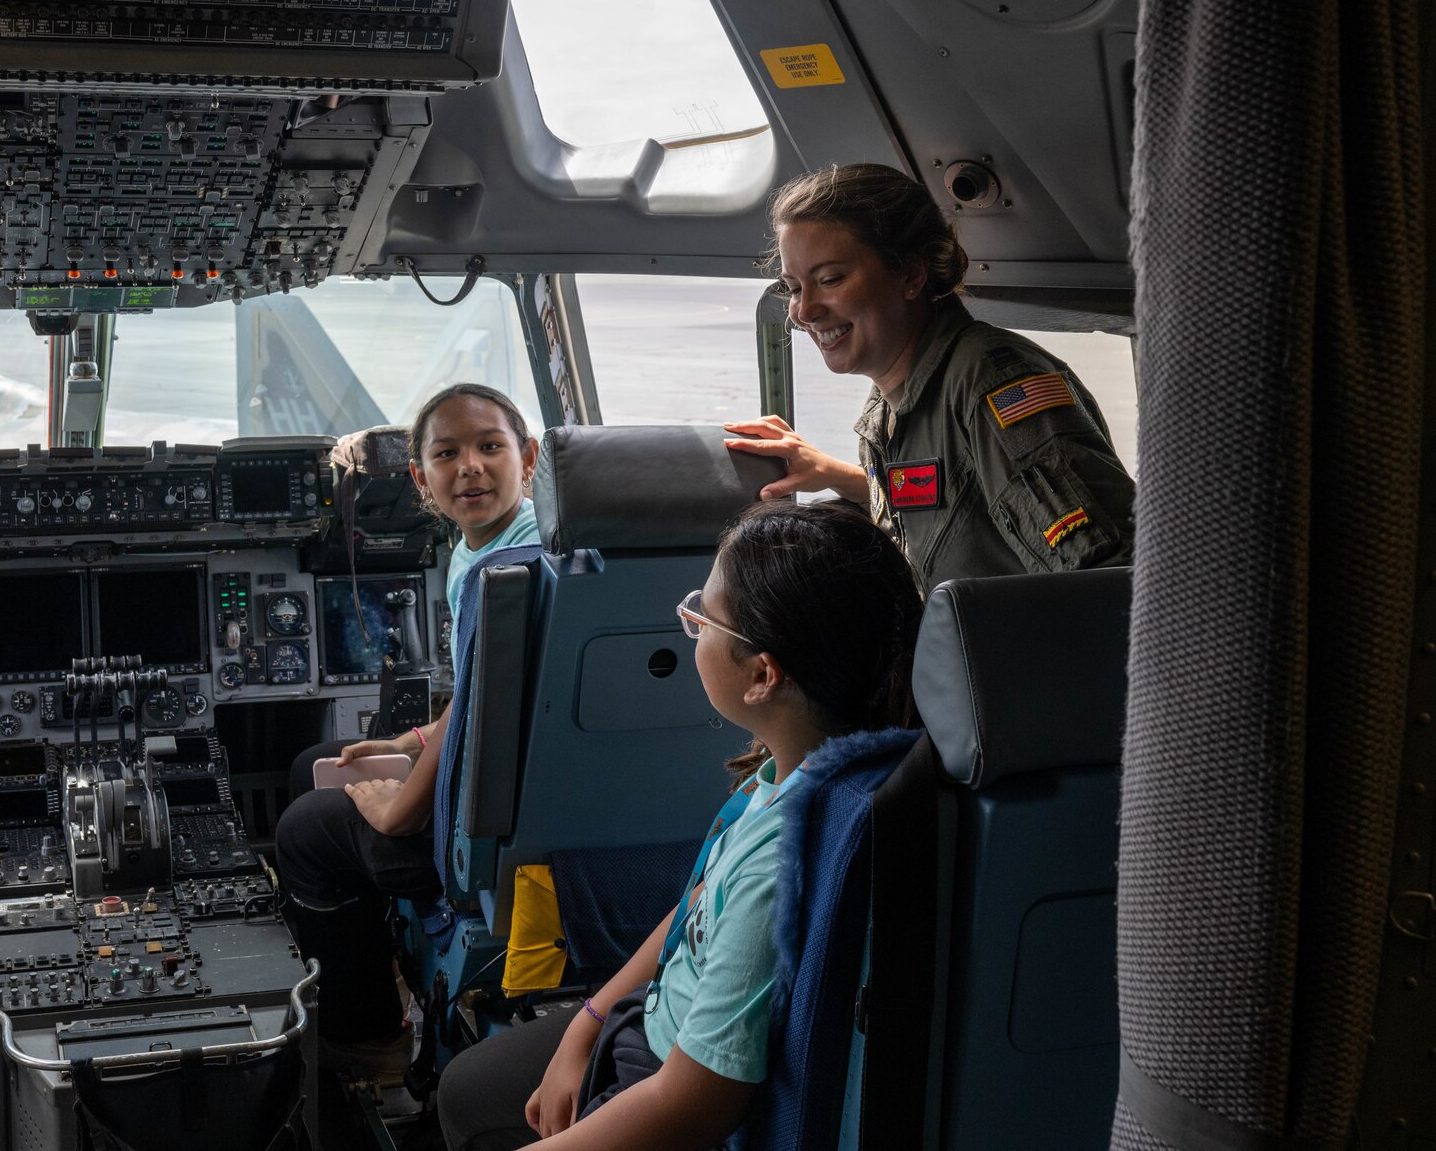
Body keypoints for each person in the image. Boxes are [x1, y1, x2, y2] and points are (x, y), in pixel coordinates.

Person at [435, 501, 922, 1150]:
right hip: (653, 1020)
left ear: (761, 675)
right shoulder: (796, 770)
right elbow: (694, 907)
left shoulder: (781, 861)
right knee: (467, 1087)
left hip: (663, 1075)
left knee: (471, 1105)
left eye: (702, 616)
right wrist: (585, 1023)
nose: (689, 624)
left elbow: (693, 1105)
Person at [274, 383, 541, 1076]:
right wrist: (410, 743)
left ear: (529, 457)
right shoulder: (527, 545)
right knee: (317, 760)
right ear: (421, 478)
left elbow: (485, 709)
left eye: (490, 446)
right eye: (447, 453)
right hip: (536, 800)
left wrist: (396, 811)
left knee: (305, 826)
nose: (470, 467)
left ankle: (368, 1034)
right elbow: (490, 693)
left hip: (496, 835)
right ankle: (389, 961)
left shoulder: (503, 572)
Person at [723, 162, 1134, 592]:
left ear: (911, 274)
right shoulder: (892, 402)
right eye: (793, 288)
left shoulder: (992, 383)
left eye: (830, 279)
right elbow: (956, 501)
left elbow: (1105, 577)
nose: (804, 311)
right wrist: (838, 475)